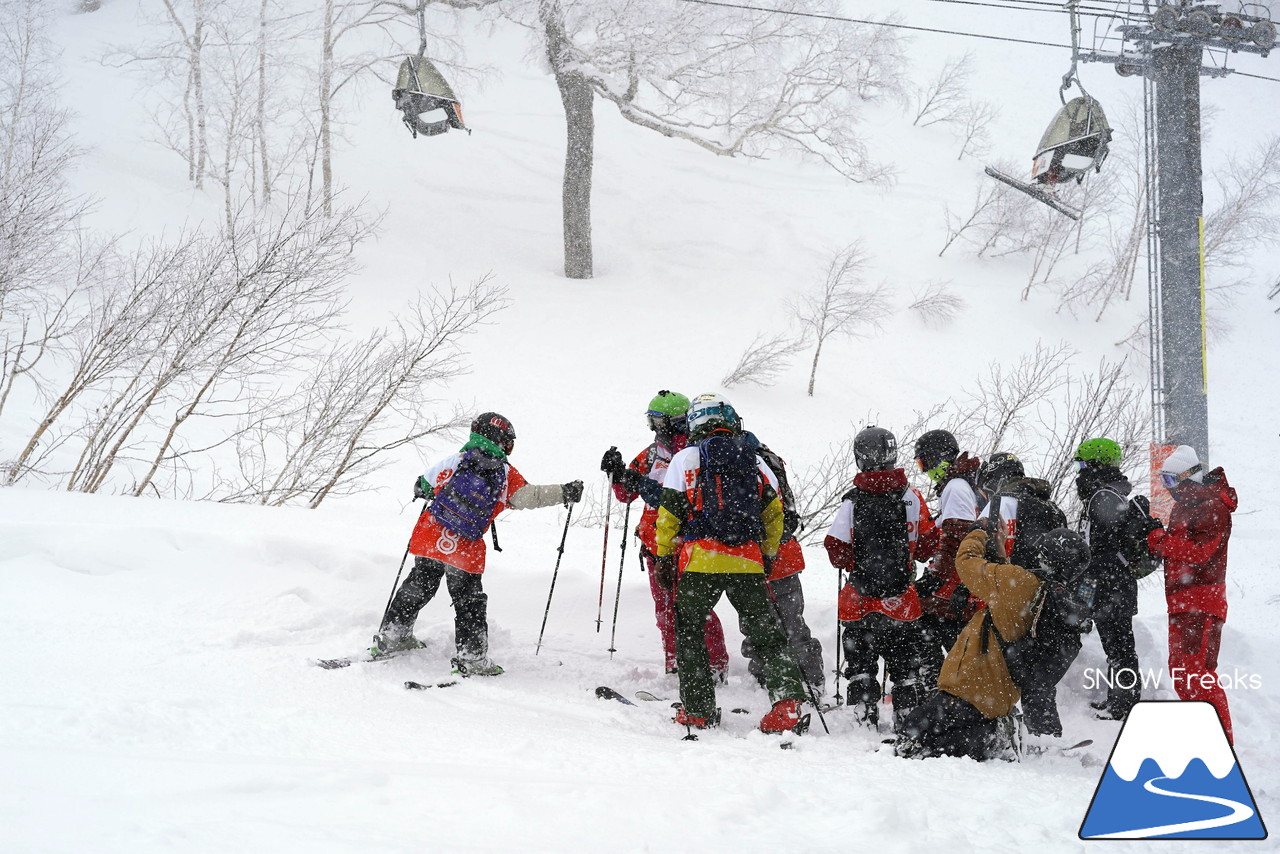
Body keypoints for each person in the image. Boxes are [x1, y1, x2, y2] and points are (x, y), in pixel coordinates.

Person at [374, 412, 584, 676]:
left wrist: (427, 490)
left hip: (430, 537)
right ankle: (472, 658)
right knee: (468, 600)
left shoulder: (457, 459)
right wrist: (565, 492)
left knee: (419, 583)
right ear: (505, 442)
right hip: (464, 548)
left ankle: (393, 636)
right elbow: (530, 497)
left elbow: (423, 485)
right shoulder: (506, 473)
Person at [654, 393, 808, 734]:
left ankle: (697, 711)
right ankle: (787, 705)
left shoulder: (685, 458)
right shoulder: (753, 458)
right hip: (748, 561)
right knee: (767, 635)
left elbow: (668, 516)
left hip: (700, 563)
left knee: (690, 631)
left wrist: (665, 555)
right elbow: (774, 511)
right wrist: (767, 553)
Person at [896, 526, 1093, 760]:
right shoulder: (1043, 590)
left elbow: (966, 562)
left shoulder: (1019, 581)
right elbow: (1006, 588)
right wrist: (999, 552)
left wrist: (977, 533)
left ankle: (993, 736)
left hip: (970, 690)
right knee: (930, 730)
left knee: (913, 733)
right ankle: (994, 730)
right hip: (995, 695)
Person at [600, 391, 729, 677]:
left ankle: (715, 664)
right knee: (665, 610)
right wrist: (617, 473)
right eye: (652, 421)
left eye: (659, 422)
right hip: (654, 545)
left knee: (696, 609)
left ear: (677, 422)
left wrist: (643, 484)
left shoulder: (695, 453)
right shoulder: (652, 453)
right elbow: (625, 494)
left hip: (687, 544)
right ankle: (675, 662)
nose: (655, 429)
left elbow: (680, 500)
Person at [824, 426, 940, 731]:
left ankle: (864, 714)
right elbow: (928, 545)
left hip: (860, 600)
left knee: (860, 661)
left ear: (860, 457)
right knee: (905, 662)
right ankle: (907, 717)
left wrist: (856, 560)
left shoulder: (852, 501)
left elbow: (836, 549)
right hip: (901, 600)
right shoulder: (911, 497)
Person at [1147, 444, 1238, 744]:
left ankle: (1221, 742)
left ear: (1189, 476)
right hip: (1181, 603)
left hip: (1203, 602)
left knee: (1199, 673)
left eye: (1171, 481)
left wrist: (1161, 540)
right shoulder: (1183, 507)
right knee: (1181, 673)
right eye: (1164, 482)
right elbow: (1178, 549)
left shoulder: (1212, 506)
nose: (1168, 489)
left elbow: (1200, 553)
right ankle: (1202, 737)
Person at [739, 434, 825, 698]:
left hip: (758, 556)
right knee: (790, 622)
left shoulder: (745, 465)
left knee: (761, 623)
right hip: (782, 555)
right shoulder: (770, 462)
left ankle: (768, 677)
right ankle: (809, 678)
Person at [1073, 437, 1144, 721]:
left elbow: (1104, 549)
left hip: (1110, 586)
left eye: (1081, 463)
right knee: (1117, 646)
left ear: (1095, 464)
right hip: (1114, 585)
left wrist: (1087, 577)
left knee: (1120, 647)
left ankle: (1125, 705)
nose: (1078, 471)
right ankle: (1120, 700)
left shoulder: (1103, 497)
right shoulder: (1108, 494)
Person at [913, 429, 982, 654]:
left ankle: (933, 682)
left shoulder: (955, 487)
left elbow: (958, 540)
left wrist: (936, 578)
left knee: (925, 627)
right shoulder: (960, 483)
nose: (924, 471)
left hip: (956, 582)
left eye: (924, 464)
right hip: (960, 579)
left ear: (937, 458)